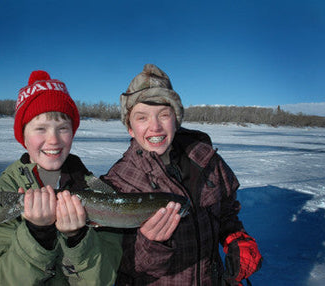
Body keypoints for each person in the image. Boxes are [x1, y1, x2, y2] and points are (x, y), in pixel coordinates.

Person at [102, 64, 262, 285]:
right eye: (142, 117)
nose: (155, 127)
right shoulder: (119, 182)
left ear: (176, 120)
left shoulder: (206, 159)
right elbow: (122, 267)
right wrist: (153, 244)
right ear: (130, 127)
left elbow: (226, 209)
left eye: (164, 114)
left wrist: (236, 237)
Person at [0, 70, 122, 285]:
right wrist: (37, 235)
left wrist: (78, 239)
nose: (53, 140)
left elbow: (105, 278)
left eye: (63, 129)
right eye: (40, 129)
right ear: (23, 135)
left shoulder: (98, 189)